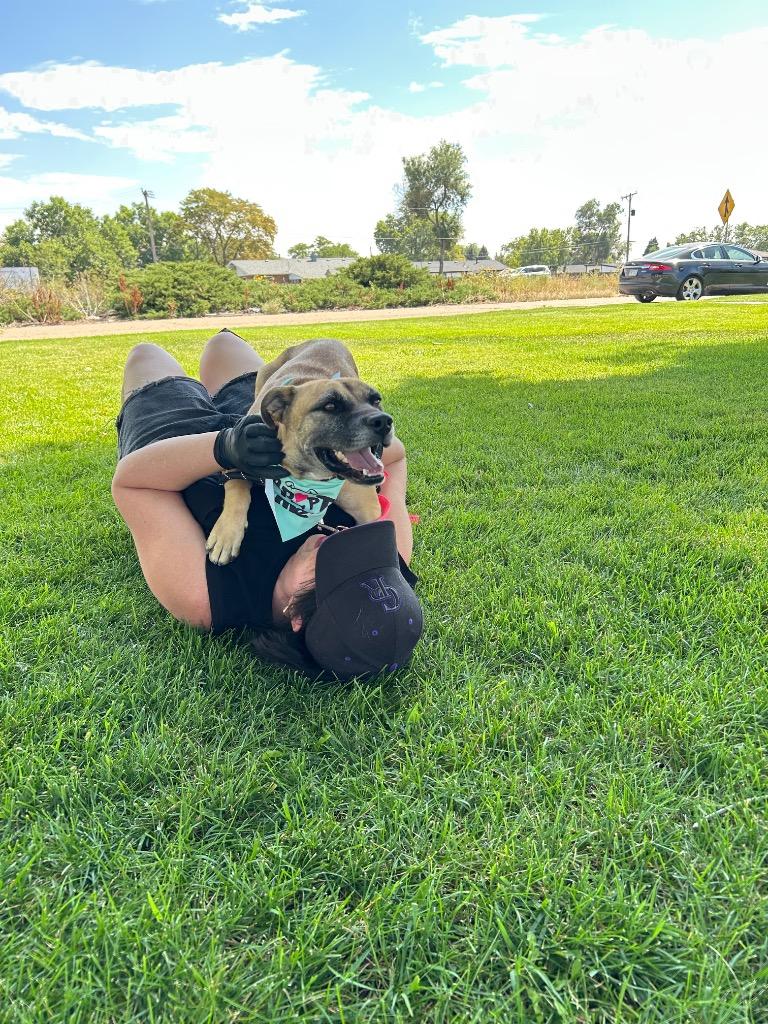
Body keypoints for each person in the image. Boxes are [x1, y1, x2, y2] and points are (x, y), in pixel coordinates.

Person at [111, 328, 423, 678]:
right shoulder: (385, 552)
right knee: (224, 344)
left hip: (176, 444)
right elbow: (393, 458)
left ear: (296, 614)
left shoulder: (205, 597)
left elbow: (135, 485)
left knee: (146, 353)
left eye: (338, 568)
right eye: (374, 567)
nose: (350, 544)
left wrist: (224, 447)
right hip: (276, 428)